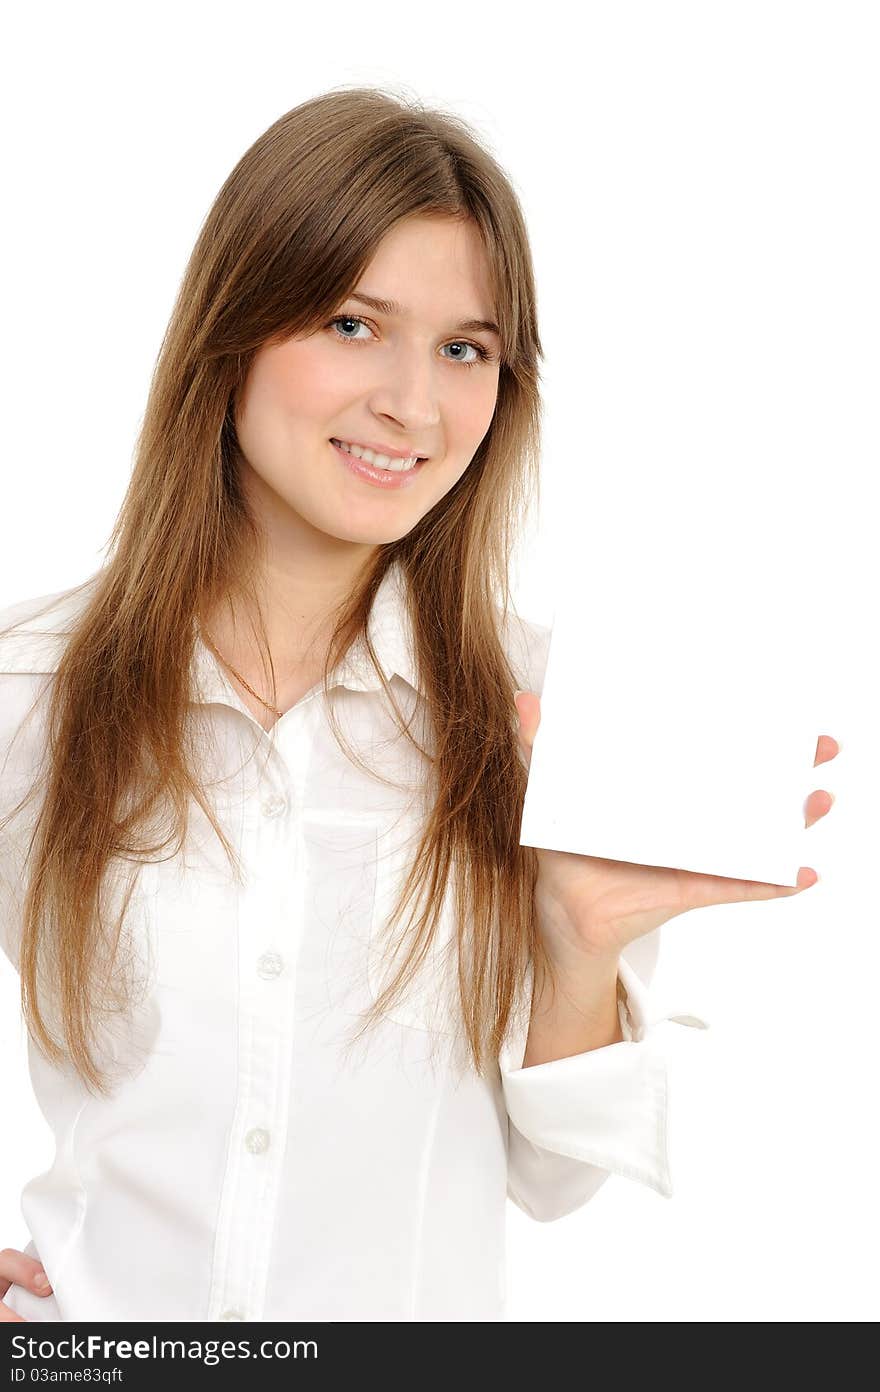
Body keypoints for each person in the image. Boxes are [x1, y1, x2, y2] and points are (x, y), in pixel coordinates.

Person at [0, 86, 838, 1324]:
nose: (414, 404)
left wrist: (578, 946)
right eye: (351, 323)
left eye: (465, 349)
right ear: (230, 334)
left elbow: (551, 1182)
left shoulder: (540, 718)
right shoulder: (38, 690)